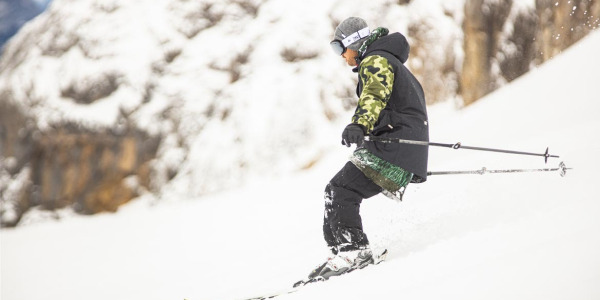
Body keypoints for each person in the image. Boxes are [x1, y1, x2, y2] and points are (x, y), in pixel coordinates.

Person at [308, 16, 430, 281]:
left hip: (396, 146)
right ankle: (343, 253)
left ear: (354, 43)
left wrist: (360, 125)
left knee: (340, 190)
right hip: (396, 145)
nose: (341, 56)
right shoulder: (386, 59)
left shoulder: (376, 60)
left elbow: (374, 95)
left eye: (340, 48)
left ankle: (353, 251)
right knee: (336, 191)